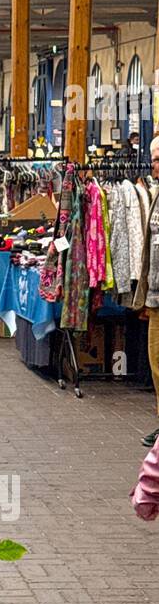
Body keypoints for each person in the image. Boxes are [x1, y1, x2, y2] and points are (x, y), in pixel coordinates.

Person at [134, 134, 159, 445]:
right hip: (155, 295)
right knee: (156, 365)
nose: (154, 165)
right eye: (153, 159)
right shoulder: (155, 194)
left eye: (158, 160)